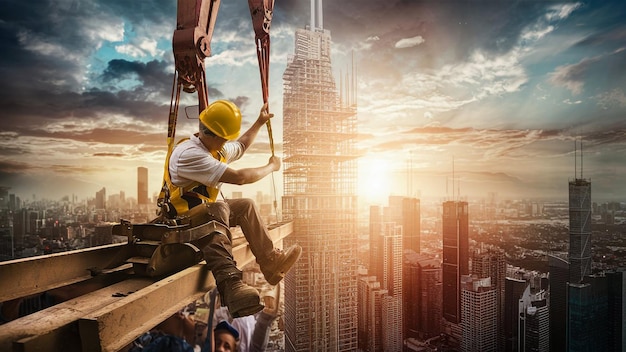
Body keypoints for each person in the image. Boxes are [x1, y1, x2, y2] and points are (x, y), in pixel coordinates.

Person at [163, 100, 301, 318]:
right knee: (216, 208)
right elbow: (240, 177)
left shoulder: (210, 146)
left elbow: (242, 146)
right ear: (214, 136)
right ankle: (231, 285)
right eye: (224, 138)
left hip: (205, 213)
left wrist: (259, 121)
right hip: (184, 218)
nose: (227, 142)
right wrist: (271, 167)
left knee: (245, 206)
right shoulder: (188, 155)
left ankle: (269, 263)